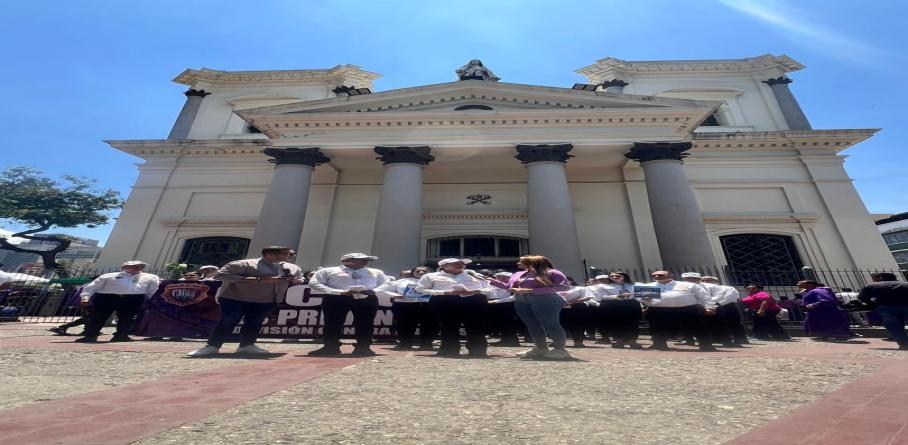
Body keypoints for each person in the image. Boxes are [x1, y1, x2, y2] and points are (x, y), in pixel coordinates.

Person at [186, 246, 302, 356]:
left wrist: (296, 281)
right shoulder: (243, 264)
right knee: (228, 321)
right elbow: (220, 275)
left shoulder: (289, 267)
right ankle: (212, 346)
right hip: (236, 298)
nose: (290, 256)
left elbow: (299, 278)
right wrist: (257, 279)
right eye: (286, 254)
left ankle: (246, 346)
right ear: (271, 255)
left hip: (266, 300)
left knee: (255, 322)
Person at [489, 255, 573, 360]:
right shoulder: (520, 274)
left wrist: (531, 291)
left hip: (545, 299)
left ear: (532, 263)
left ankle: (560, 350)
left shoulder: (552, 272)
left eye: (521, 261)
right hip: (522, 300)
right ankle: (541, 348)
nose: (518, 262)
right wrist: (491, 280)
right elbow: (510, 288)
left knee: (550, 323)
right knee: (532, 324)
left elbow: (564, 287)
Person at [307, 253, 390, 356]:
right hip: (336, 298)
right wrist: (337, 292)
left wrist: (374, 290)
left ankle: (363, 347)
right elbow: (314, 283)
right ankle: (330, 347)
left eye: (367, 259)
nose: (366, 261)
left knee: (366, 323)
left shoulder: (377, 272)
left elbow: (387, 283)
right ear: (347, 260)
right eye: (362, 259)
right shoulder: (328, 271)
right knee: (332, 322)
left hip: (366, 298)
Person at [416, 258, 488, 357]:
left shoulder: (474, 275)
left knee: (475, 326)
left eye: (461, 263)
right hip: (445, 301)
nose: (460, 265)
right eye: (455, 263)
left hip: (473, 301)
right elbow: (420, 289)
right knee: (449, 326)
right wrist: (444, 292)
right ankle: (449, 350)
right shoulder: (430, 276)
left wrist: (475, 291)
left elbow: (490, 287)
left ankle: (478, 350)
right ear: (444, 266)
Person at [74, 261, 161, 343]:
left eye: (140, 266)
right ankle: (90, 336)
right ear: (125, 267)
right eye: (133, 266)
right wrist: (85, 297)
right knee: (98, 317)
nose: (137, 268)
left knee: (127, 319)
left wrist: (149, 301)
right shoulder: (108, 276)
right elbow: (92, 287)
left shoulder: (151, 277)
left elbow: (152, 290)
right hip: (107, 298)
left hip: (133, 299)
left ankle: (121, 336)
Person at [640, 271, 716, 351]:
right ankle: (659, 345)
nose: (657, 276)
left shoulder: (687, 285)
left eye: (660, 275)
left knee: (697, 327)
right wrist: (643, 305)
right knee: (657, 328)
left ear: (671, 275)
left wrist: (709, 307)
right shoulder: (649, 286)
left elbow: (703, 296)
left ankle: (706, 345)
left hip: (686, 309)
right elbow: (641, 300)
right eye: (654, 275)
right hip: (659, 309)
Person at [376, 266, 437, 351]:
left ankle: (426, 343)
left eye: (424, 271)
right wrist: (394, 295)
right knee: (404, 325)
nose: (421, 272)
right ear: (412, 272)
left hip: (428, 305)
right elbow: (382, 289)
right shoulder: (401, 281)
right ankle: (404, 343)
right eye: (418, 270)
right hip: (404, 305)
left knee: (429, 325)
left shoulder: (436, 281)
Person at [587, 272, 643, 349]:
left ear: (624, 276)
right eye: (612, 276)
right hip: (615, 305)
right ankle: (618, 340)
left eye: (617, 276)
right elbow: (600, 297)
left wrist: (645, 298)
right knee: (616, 323)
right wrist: (617, 296)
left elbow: (645, 294)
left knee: (632, 323)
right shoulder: (603, 286)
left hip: (631, 304)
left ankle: (632, 341)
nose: (614, 277)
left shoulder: (635, 285)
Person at [858, 272, 908, 350]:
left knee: (895, 328)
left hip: (887, 309)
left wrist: (873, 303)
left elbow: (862, 298)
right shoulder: (905, 284)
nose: (873, 280)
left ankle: (904, 344)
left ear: (880, 277)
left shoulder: (872, 286)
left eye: (874, 278)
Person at [701, 276, 749, 346]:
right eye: (703, 281)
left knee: (733, 323)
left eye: (708, 280)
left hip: (727, 306)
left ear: (716, 281)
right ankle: (718, 339)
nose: (705, 282)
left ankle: (740, 339)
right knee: (714, 324)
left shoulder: (727, 288)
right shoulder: (701, 290)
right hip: (709, 307)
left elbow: (729, 297)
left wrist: (716, 304)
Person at [482, 271, 522, 347]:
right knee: (499, 323)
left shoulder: (513, 285)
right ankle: (504, 340)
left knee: (509, 323)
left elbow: (514, 297)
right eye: (499, 277)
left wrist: (496, 301)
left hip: (507, 304)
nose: (501, 278)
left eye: (504, 277)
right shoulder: (490, 285)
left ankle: (512, 341)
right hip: (493, 305)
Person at [559, 278, 594, 348]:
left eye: (565, 280)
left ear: (571, 281)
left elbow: (588, 297)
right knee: (560, 325)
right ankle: (558, 342)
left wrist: (572, 302)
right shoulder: (555, 289)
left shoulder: (580, 288)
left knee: (577, 324)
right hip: (560, 308)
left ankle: (578, 342)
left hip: (577, 307)